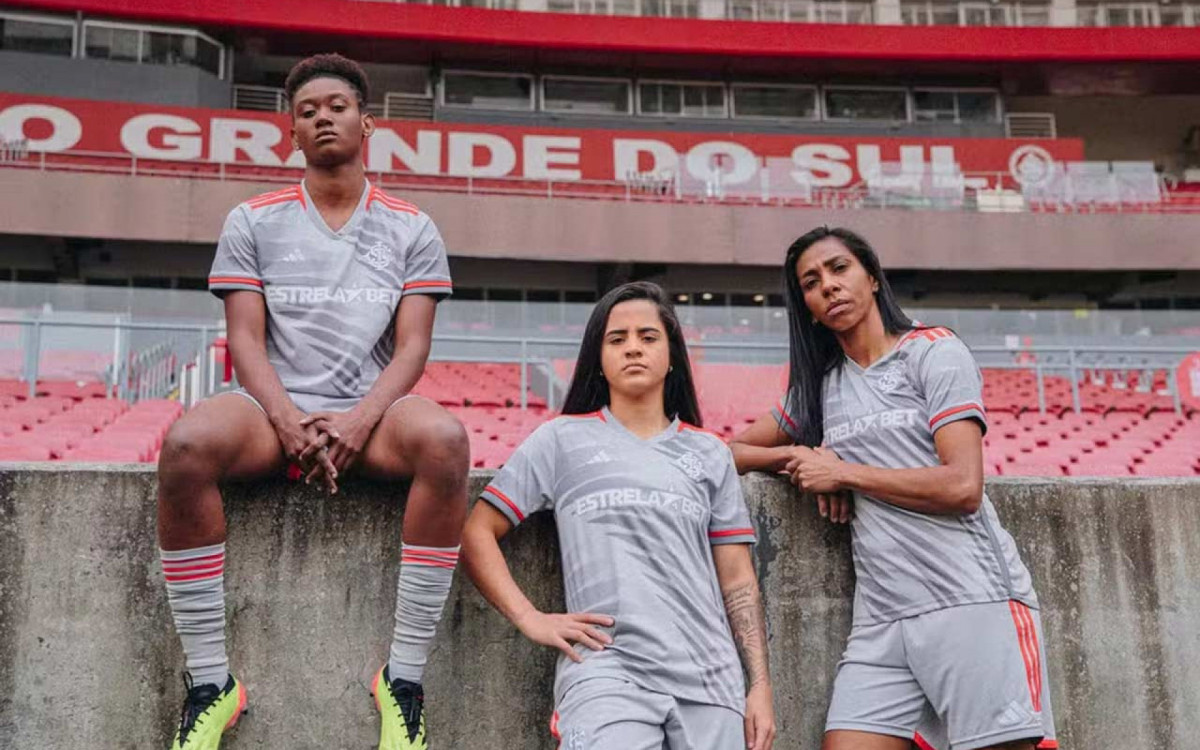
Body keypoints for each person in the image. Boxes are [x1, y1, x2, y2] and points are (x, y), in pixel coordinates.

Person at [156, 53, 469, 750]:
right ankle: (210, 684)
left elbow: (412, 348)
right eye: (307, 111)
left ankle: (403, 681)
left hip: (371, 414)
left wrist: (357, 421)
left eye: (337, 106)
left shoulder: (413, 226)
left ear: (366, 123)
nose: (323, 117)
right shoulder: (253, 219)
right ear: (291, 132)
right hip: (272, 414)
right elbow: (244, 339)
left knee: (446, 442)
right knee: (184, 446)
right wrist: (289, 420)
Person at [730, 227, 1056, 750]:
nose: (828, 286)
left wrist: (845, 474)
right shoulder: (821, 385)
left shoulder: (933, 352)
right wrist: (798, 457)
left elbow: (963, 485)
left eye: (839, 269)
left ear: (873, 278)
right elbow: (727, 453)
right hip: (882, 618)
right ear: (807, 307)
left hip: (970, 598)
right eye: (811, 283)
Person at [461, 281, 776, 750]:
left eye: (648, 337)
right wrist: (530, 618)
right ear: (599, 357)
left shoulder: (709, 453)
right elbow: (477, 531)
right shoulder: (560, 441)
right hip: (608, 674)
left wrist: (760, 686)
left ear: (672, 356)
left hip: (711, 681)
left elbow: (737, 577)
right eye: (617, 339)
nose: (633, 348)